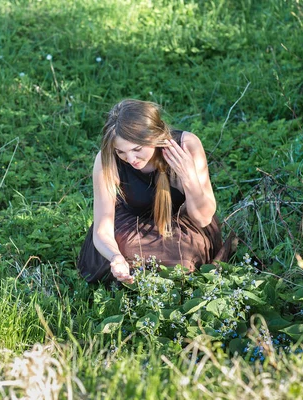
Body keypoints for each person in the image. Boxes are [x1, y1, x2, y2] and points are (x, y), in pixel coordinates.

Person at [77, 99, 233, 284]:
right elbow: (102, 228)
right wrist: (115, 257)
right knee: (125, 251)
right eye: (121, 152)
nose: (131, 159)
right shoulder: (106, 159)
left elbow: (203, 218)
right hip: (130, 227)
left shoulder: (186, 145)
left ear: (154, 135)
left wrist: (188, 177)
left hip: (181, 224)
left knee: (184, 255)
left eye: (137, 149)